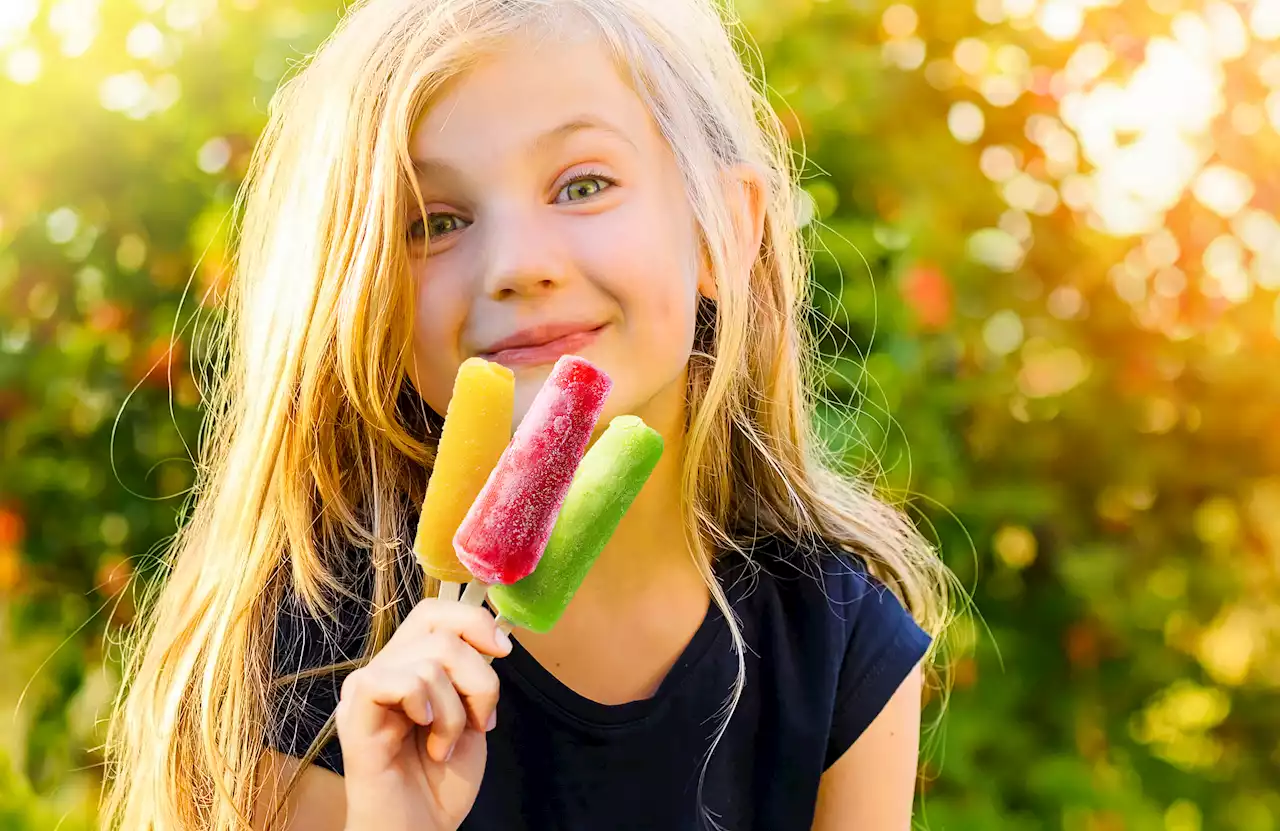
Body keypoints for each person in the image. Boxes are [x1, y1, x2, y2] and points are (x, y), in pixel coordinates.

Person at [102, 0, 960, 828]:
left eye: (584, 184)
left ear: (722, 232)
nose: (516, 265)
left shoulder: (838, 643)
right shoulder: (309, 646)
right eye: (434, 221)